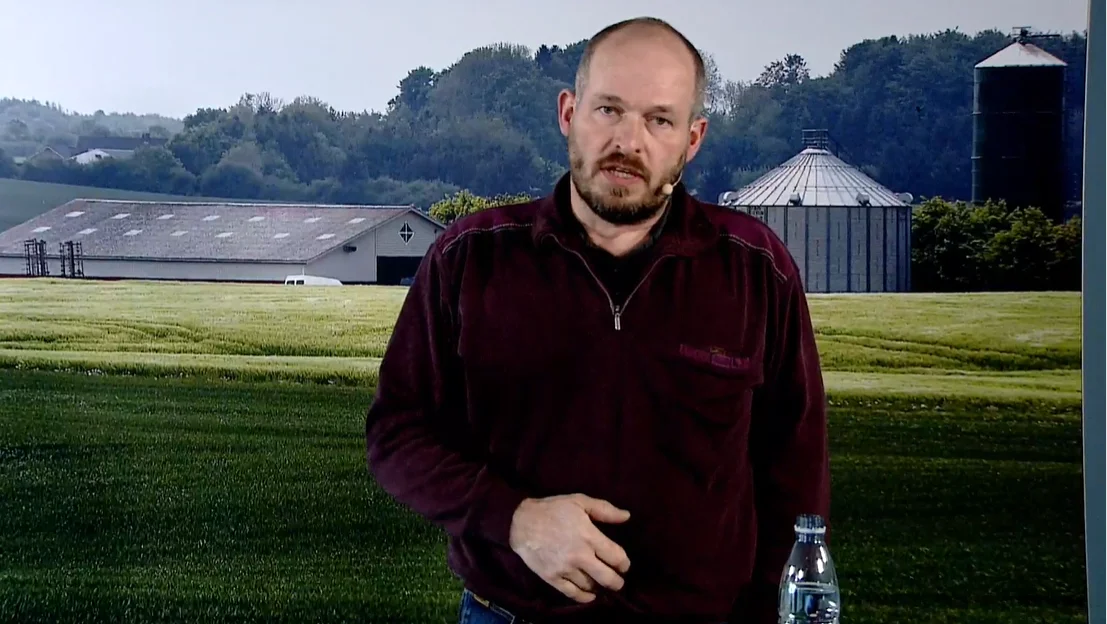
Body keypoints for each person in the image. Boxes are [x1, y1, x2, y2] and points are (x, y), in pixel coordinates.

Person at [365, 16, 830, 624]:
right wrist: (515, 518)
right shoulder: (471, 257)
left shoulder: (755, 269)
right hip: (508, 614)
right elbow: (396, 433)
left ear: (693, 139)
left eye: (659, 120)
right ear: (568, 113)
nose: (628, 141)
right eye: (608, 110)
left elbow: (796, 477)